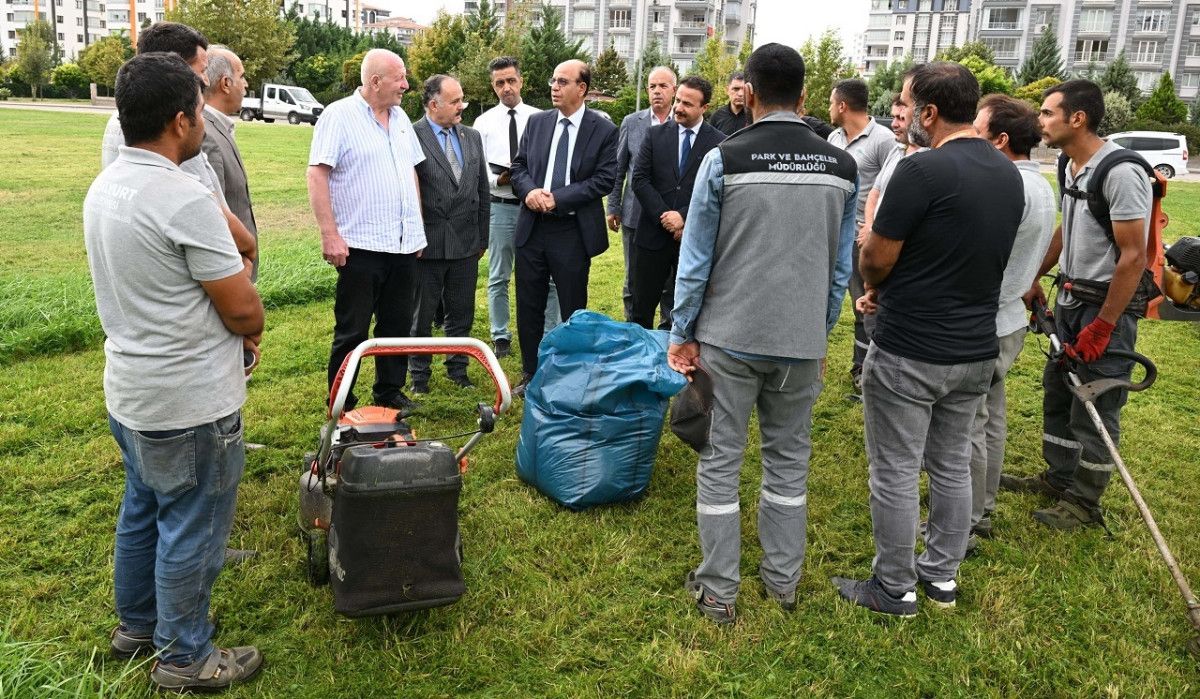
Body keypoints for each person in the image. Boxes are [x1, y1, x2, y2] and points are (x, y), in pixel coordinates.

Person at [86, 52, 264, 692]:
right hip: (189, 400)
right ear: (181, 121)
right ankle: (185, 655)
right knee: (193, 525)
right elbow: (242, 309)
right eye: (198, 111)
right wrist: (253, 324)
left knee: (142, 509)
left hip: (132, 391)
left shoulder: (108, 183)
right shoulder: (183, 198)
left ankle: (137, 625)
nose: (203, 122)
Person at [668, 43, 857, 624]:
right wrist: (818, 332)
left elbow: (696, 259)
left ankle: (719, 590)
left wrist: (681, 331)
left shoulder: (723, 159)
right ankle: (783, 581)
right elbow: (840, 269)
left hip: (729, 338)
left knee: (720, 461)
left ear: (747, 92)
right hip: (799, 341)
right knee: (788, 462)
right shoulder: (841, 166)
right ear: (804, 96)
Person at [832, 62, 1022, 617]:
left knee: (894, 469)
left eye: (907, 102)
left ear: (930, 112)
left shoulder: (921, 170)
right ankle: (941, 578)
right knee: (952, 465)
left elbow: (876, 255)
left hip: (911, 349)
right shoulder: (1008, 172)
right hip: (974, 347)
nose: (902, 112)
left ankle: (894, 587)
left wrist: (876, 285)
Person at [999, 80, 1153, 530]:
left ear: (1077, 118)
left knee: (1096, 403)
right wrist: (1034, 275)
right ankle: (1059, 478)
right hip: (1069, 299)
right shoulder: (1069, 163)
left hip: (1106, 307)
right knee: (1059, 390)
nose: (1040, 121)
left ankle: (1085, 503)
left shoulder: (1121, 173)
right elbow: (1068, 227)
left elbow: (1134, 256)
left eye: (1048, 113)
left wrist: (1103, 326)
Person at [307, 49, 426, 412]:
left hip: (403, 244)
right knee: (352, 329)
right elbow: (317, 174)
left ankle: (389, 392)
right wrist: (330, 234)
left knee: (396, 326)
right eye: (400, 78)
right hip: (360, 245)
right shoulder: (338, 116)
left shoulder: (401, 118)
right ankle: (341, 399)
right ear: (376, 81)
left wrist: (417, 228)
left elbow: (411, 172)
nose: (406, 85)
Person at [965, 94, 1056, 548]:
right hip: (1008, 319)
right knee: (990, 417)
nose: (970, 136)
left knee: (969, 423)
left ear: (1000, 140)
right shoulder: (1040, 184)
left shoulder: (1006, 186)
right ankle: (981, 504)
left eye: (977, 129)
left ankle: (970, 516)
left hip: (986, 319)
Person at [101, 22, 257, 275]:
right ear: (173, 67)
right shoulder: (176, 131)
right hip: (198, 274)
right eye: (202, 70)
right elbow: (209, 212)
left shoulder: (124, 116)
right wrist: (248, 250)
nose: (207, 79)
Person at [509, 59, 618, 396]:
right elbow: (519, 167)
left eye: (562, 82)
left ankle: (571, 374)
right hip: (533, 227)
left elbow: (604, 179)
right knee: (529, 303)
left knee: (572, 306)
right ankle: (531, 372)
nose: (554, 87)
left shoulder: (603, 131)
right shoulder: (537, 122)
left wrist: (558, 198)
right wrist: (529, 192)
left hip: (571, 231)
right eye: (553, 80)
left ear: (582, 88)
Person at [474, 56, 559, 359]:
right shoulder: (483, 123)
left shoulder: (541, 118)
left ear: (521, 81)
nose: (506, 87)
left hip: (535, 208)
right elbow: (478, 168)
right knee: (499, 275)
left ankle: (550, 332)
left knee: (548, 275)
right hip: (501, 206)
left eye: (511, 80)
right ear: (493, 86)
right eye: (500, 83)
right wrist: (498, 179)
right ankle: (501, 335)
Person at [410, 75, 489, 393]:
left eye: (462, 100)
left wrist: (482, 237)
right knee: (422, 315)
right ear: (433, 104)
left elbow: (482, 189)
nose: (462, 106)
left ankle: (458, 370)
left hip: (466, 242)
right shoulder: (411, 135)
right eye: (455, 101)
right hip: (426, 244)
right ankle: (419, 376)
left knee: (461, 311)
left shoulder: (472, 136)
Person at [826, 78, 902, 399]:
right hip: (834, 235)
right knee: (830, 302)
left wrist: (873, 228)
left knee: (866, 308)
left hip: (863, 240)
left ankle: (866, 371)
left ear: (843, 105)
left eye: (831, 103)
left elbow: (893, 189)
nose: (829, 109)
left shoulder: (883, 140)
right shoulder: (833, 138)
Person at [628, 76, 724, 329]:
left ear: (704, 107)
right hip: (652, 237)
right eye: (678, 100)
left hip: (693, 240)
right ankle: (640, 351)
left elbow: (716, 190)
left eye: (687, 104)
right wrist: (666, 217)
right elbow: (639, 180)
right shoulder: (654, 135)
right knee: (641, 310)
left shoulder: (719, 143)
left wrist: (684, 216)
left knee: (687, 311)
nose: (678, 107)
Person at [608, 66, 678, 326]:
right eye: (652, 86)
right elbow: (619, 168)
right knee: (633, 278)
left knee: (669, 280)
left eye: (663, 86)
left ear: (674, 90)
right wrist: (613, 206)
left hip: (670, 215)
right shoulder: (631, 122)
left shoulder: (682, 122)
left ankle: (666, 330)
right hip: (635, 214)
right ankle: (633, 328)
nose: (657, 91)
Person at [201, 46, 259, 280]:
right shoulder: (206, 134)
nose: (245, 84)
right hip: (230, 272)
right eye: (241, 76)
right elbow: (212, 216)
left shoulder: (217, 127)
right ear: (226, 83)